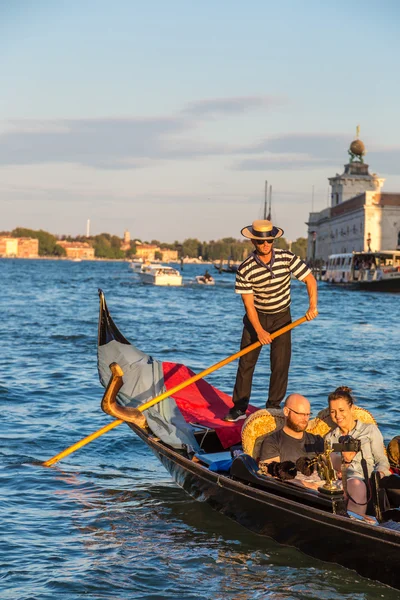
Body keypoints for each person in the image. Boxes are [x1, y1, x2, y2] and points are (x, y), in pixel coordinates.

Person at [224, 219, 318, 422]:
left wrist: (312, 306)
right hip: (255, 318)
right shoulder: (245, 268)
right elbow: (249, 306)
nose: (265, 245)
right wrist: (259, 331)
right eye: (261, 242)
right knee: (246, 362)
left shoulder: (287, 258)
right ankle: (239, 407)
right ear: (253, 243)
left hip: (282, 317)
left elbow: (310, 279)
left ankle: (273, 407)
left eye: (269, 241)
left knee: (280, 363)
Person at [324, 386, 391, 516]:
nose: (337, 415)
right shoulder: (330, 438)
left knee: (357, 484)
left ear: (352, 408)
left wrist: (380, 474)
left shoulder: (369, 430)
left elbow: (381, 460)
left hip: (367, 481)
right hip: (342, 482)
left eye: (341, 410)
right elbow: (329, 467)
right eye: (332, 411)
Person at [258, 394, 324, 465]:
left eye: (308, 414)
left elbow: (332, 462)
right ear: (286, 411)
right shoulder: (272, 443)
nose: (305, 419)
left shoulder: (316, 440)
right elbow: (273, 473)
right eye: (301, 414)